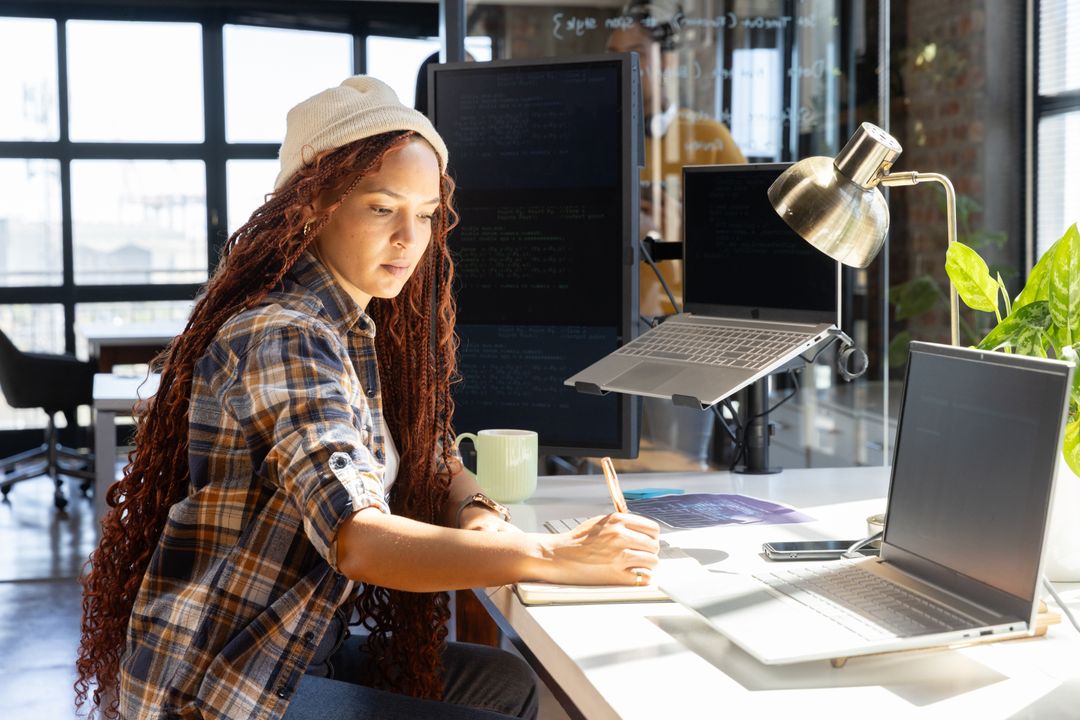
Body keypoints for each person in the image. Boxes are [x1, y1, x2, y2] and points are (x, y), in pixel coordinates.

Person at [75, 76, 660, 720]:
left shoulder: (357, 328)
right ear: (312, 206)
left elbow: (433, 458)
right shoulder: (285, 334)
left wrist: (481, 515)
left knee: (504, 685)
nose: (411, 238)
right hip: (225, 685)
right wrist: (554, 554)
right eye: (383, 208)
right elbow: (359, 540)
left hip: (296, 651)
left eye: (427, 213)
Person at [607, 0, 746, 317]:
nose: (624, 65)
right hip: (613, 318)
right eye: (615, 54)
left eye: (637, 54)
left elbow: (746, 243)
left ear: (666, 60)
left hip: (689, 318)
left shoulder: (709, 138)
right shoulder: (594, 141)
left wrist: (685, 225)